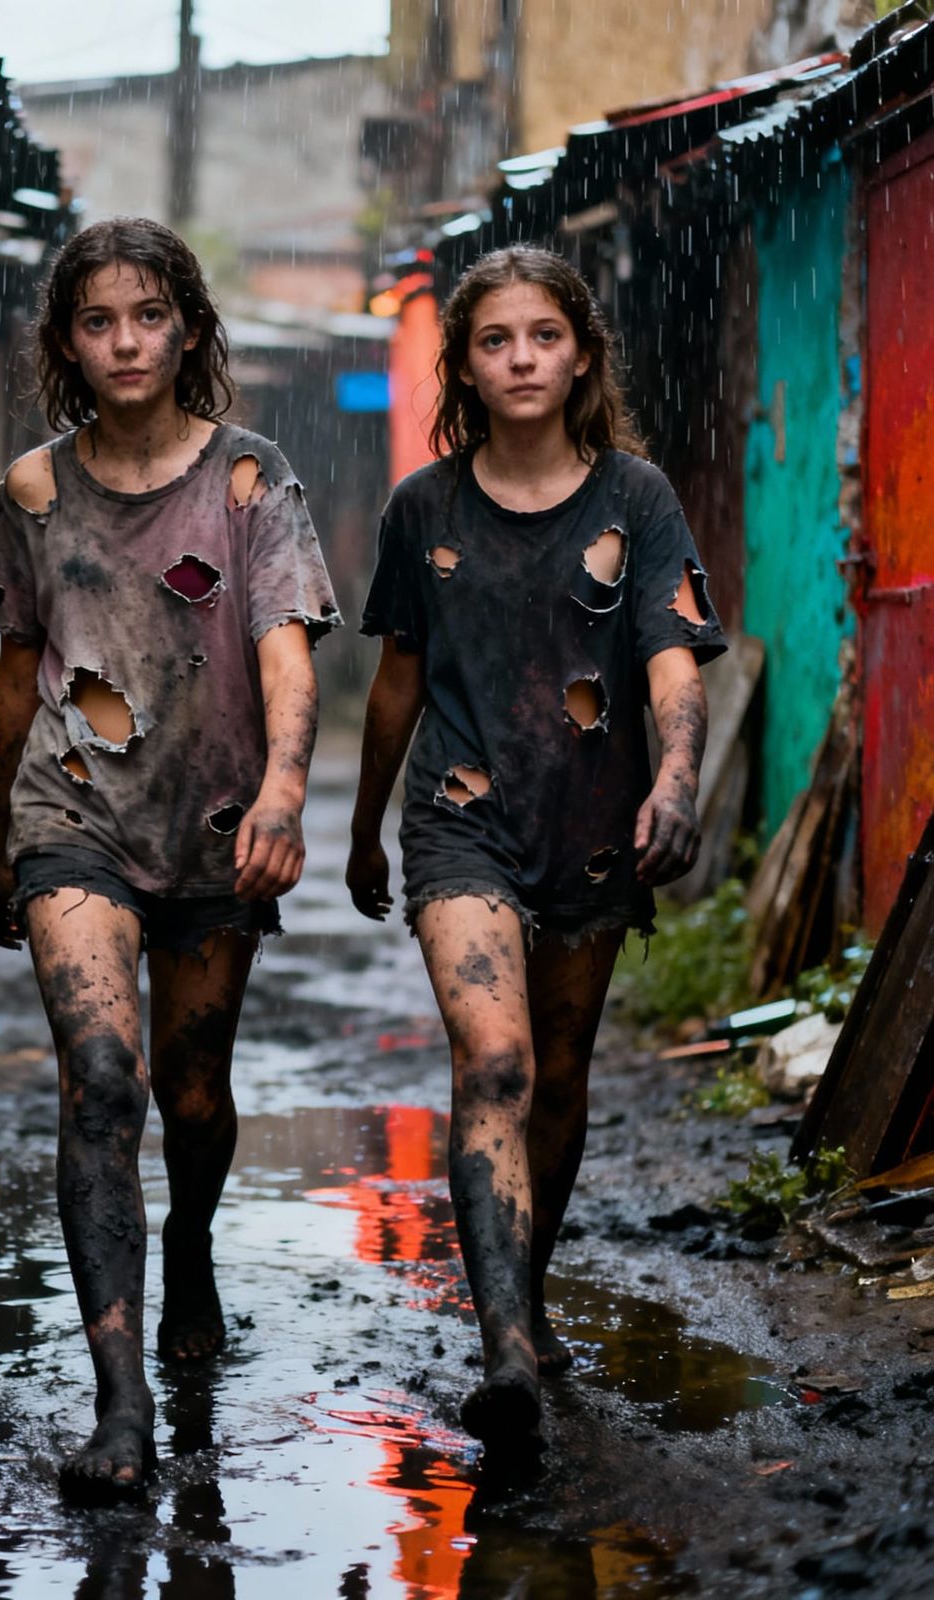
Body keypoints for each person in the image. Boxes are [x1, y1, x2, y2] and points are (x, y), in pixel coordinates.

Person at [0, 217, 340, 1501]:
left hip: (212, 827)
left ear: (187, 326)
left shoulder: (251, 480)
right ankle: (118, 1400)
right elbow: (18, 667)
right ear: (64, 341)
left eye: (146, 316)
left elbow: (290, 649)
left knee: (192, 1100)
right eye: (96, 320)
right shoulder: (32, 488)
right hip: (68, 818)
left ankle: (189, 1241)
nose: (123, 341)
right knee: (98, 1079)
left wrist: (285, 795)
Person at [347, 245, 724, 1453]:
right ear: (462, 363)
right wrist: (361, 828)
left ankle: (525, 1289)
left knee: (555, 1080)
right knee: (496, 1060)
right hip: (460, 823)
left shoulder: (637, 499)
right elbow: (397, 676)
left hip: (595, 829)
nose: (520, 359)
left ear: (579, 354)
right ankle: (504, 1341)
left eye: (542, 337)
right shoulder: (424, 507)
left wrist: (675, 775)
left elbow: (672, 654)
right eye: (495, 340)